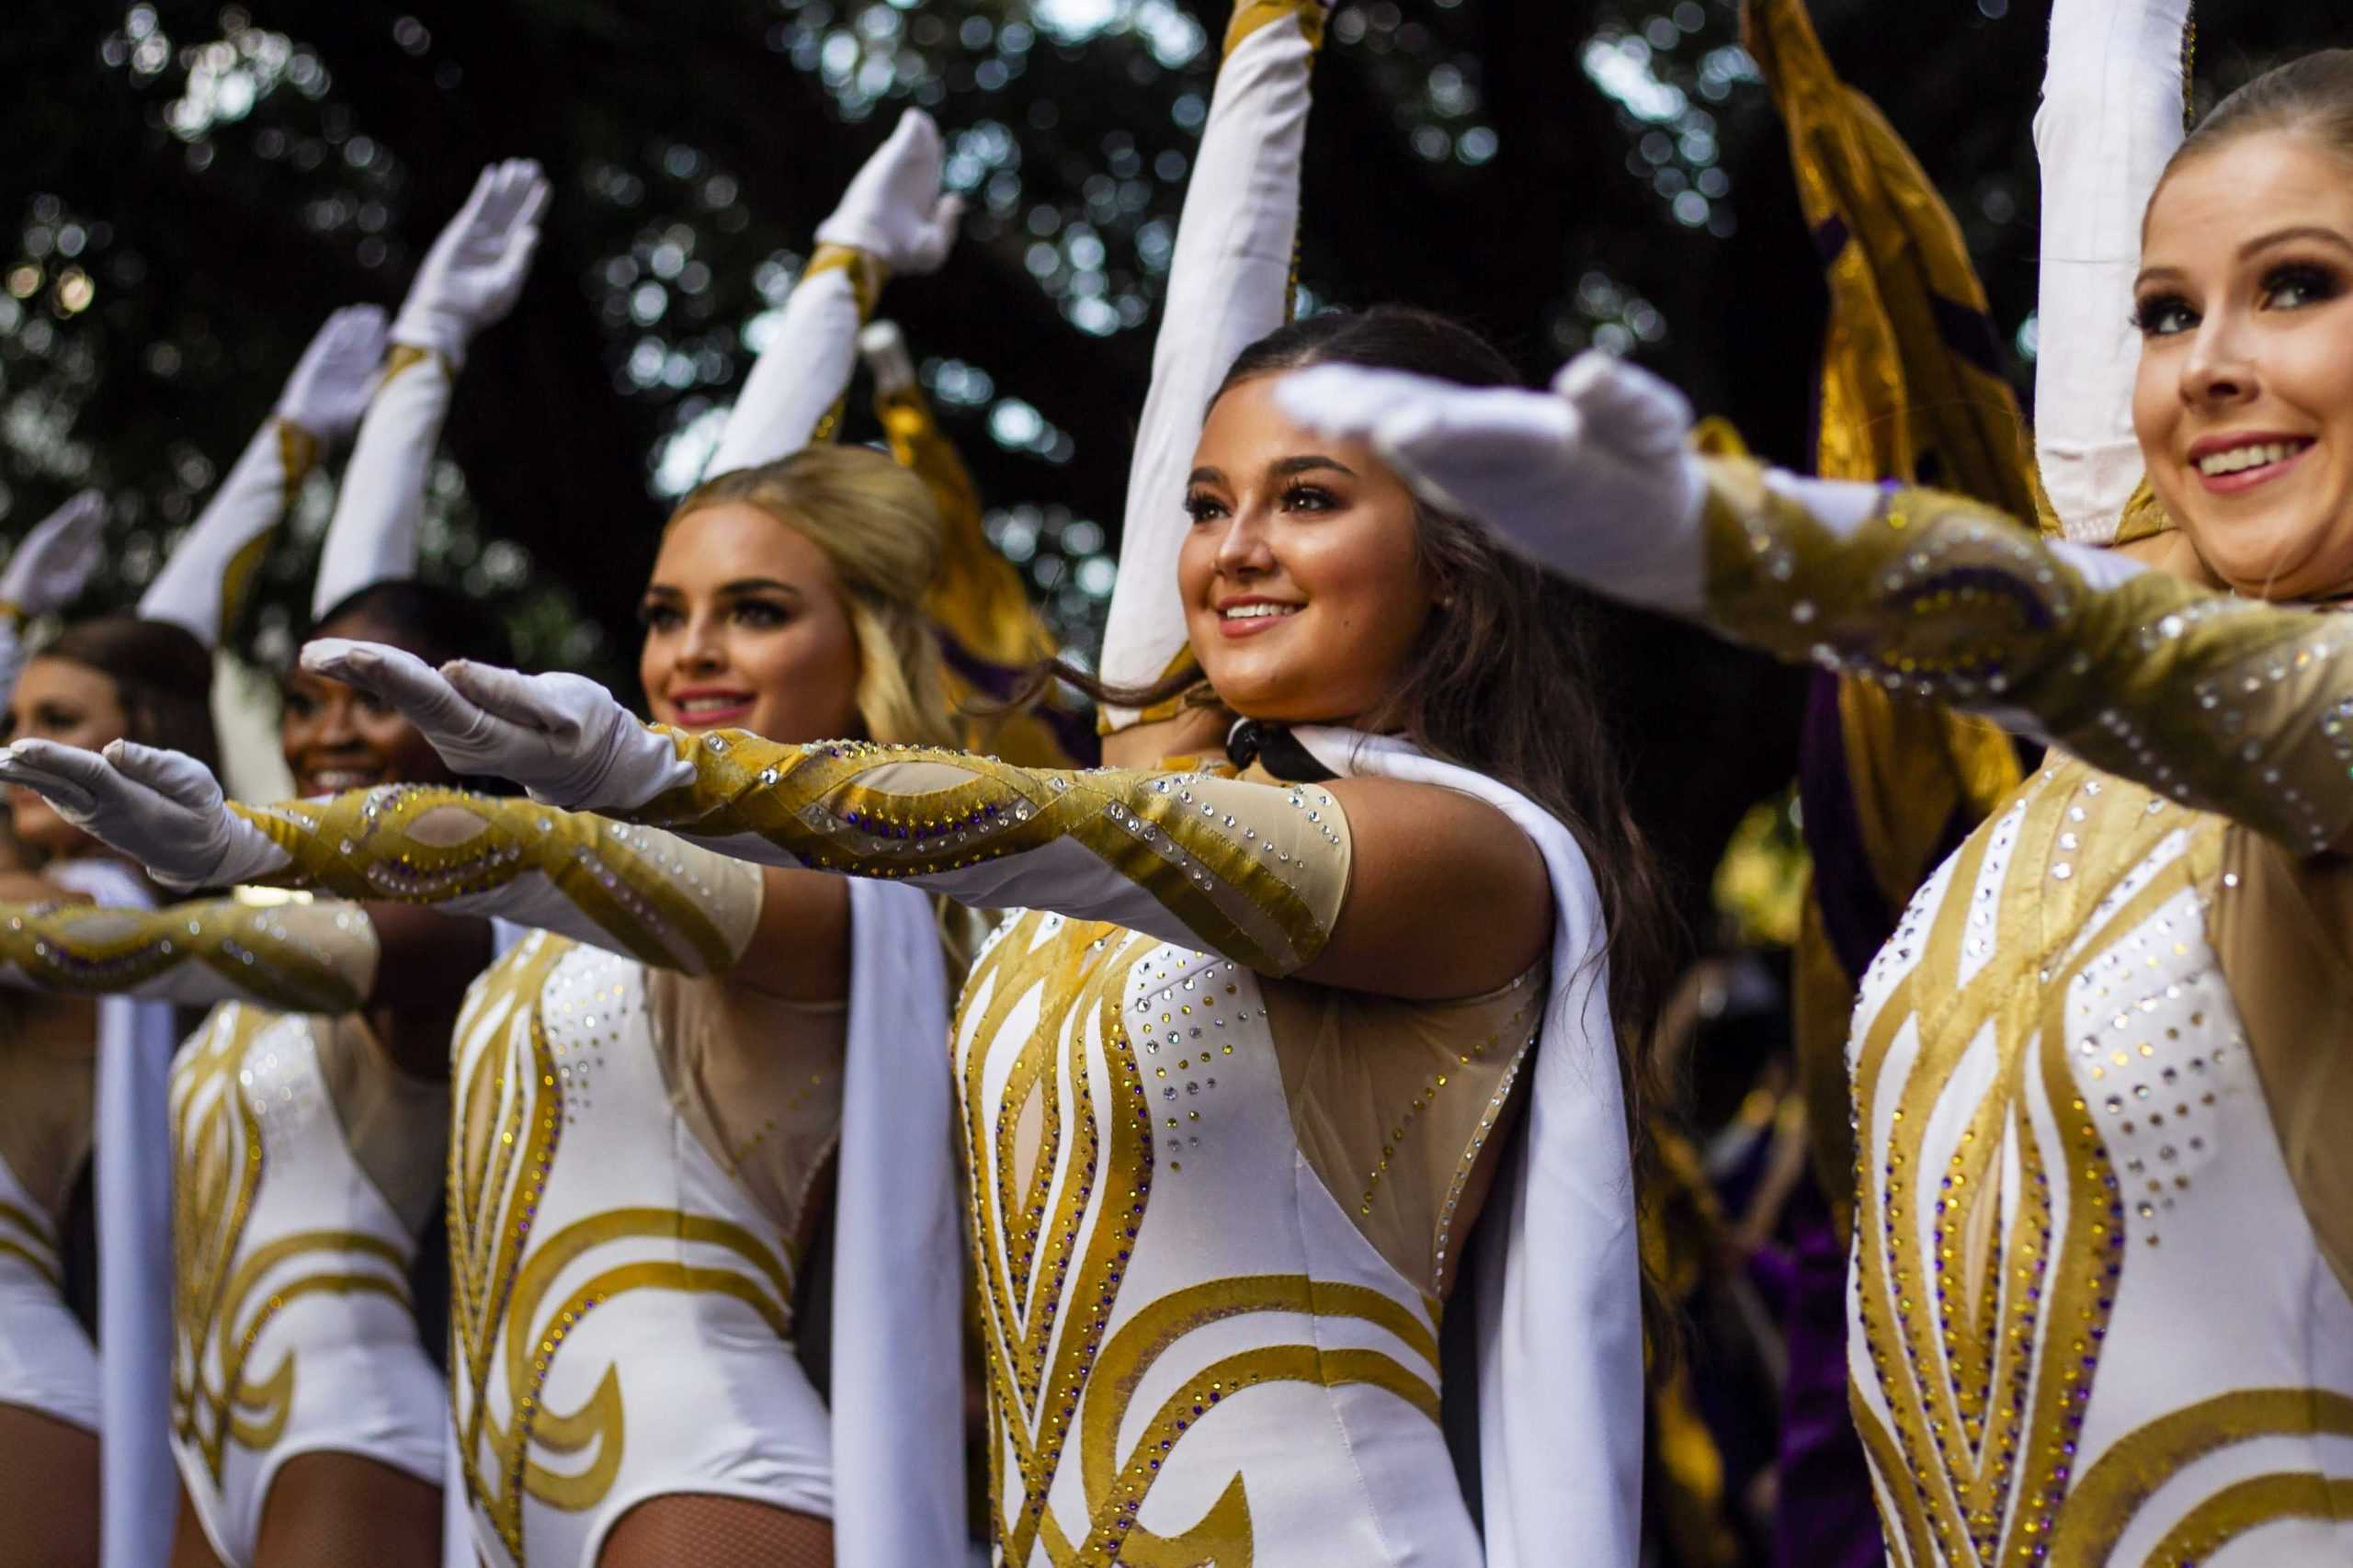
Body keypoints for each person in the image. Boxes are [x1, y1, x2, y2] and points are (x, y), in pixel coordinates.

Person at [1249, 48, 2353, 1551]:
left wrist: (1739, 541)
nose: (2208, 360)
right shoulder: (2081, 777)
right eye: (2165, 312)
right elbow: (2101, 573)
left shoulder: (2282, 707)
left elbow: (2094, 634)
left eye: (2296, 286)